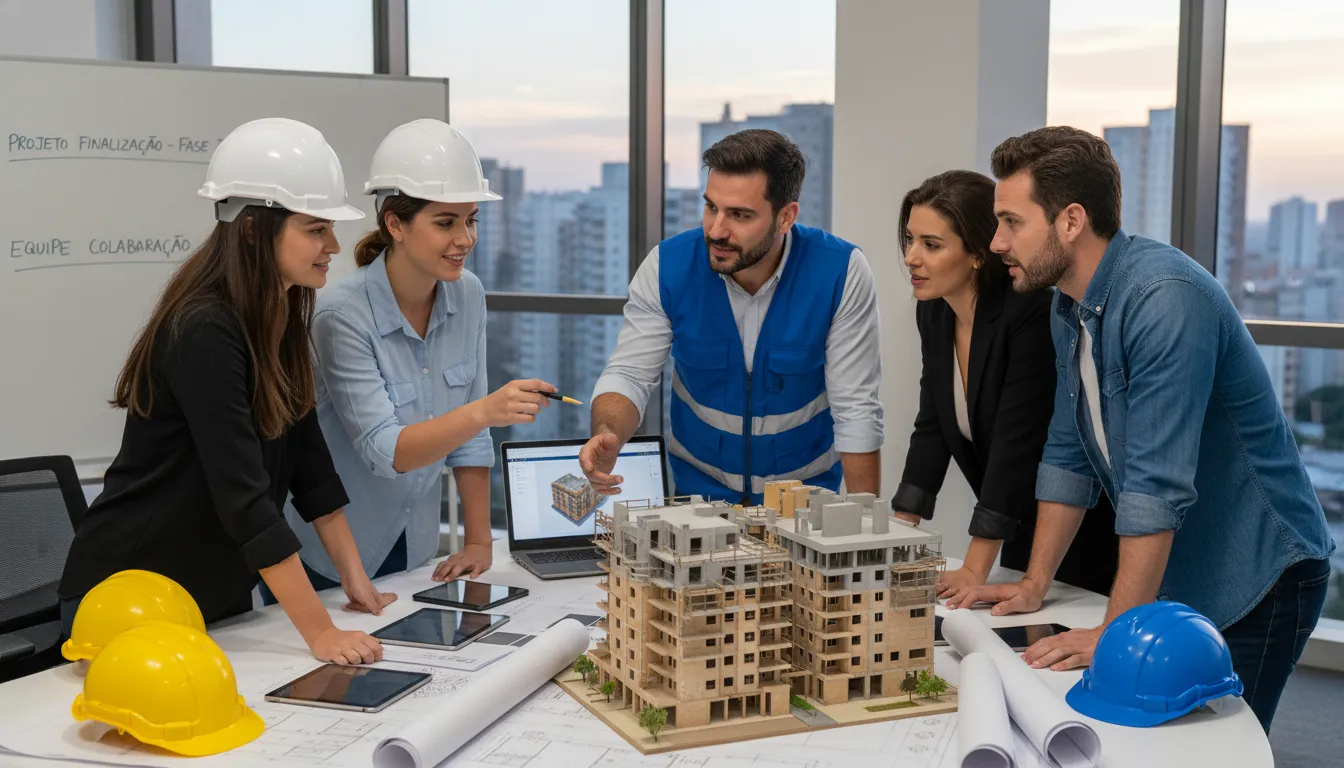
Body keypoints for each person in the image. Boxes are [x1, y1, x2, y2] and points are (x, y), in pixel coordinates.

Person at [952, 125, 1334, 732]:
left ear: (1071, 220)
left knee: (1213, 744)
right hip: (1189, 563)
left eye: (1011, 222)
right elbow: (1068, 450)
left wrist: (1116, 632)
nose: (996, 242)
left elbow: (1156, 485)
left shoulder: (1163, 298)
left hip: (1259, 570)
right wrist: (1033, 582)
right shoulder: (1067, 303)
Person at [58, 118, 393, 666]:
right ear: (255, 231)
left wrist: (358, 581)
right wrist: (320, 633)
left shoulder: (279, 314)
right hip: (129, 598)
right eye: (315, 229)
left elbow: (312, 468)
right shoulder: (205, 330)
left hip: (214, 596)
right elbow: (244, 498)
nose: (334, 244)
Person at [280, 119, 556, 591]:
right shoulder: (340, 316)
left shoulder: (467, 294)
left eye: (471, 220)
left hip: (417, 549)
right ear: (395, 225)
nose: (465, 239)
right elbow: (386, 452)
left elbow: (470, 440)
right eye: (446, 223)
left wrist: (477, 543)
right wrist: (484, 410)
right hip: (327, 561)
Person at [579, 129, 883, 505]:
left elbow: (856, 408)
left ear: (786, 216)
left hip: (808, 507)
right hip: (697, 502)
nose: (717, 230)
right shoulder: (666, 266)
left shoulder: (841, 271)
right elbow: (629, 373)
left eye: (739, 215)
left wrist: (867, 529)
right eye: (711, 207)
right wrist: (608, 433)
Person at [891, 170, 1118, 598]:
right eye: (910, 239)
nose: (911, 257)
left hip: (1078, 535)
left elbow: (1018, 444)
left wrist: (976, 568)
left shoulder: (1031, 312)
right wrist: (894, 536)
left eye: (931, 245)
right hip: (1013, 530)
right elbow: (933, 426)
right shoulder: (935, 312)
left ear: (978, 253)